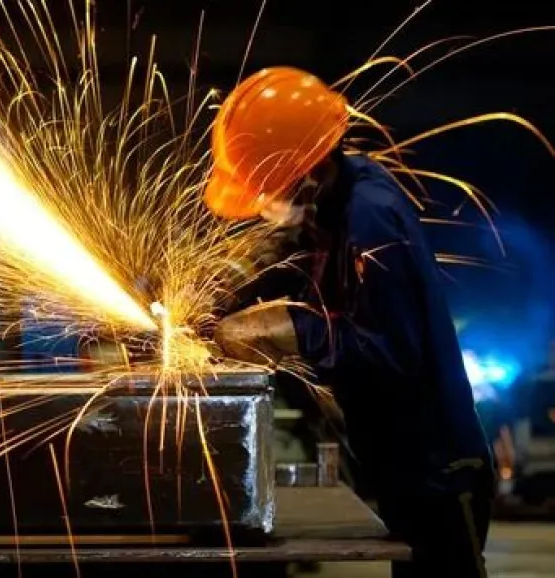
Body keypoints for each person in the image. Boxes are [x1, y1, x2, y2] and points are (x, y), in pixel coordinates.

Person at [205, 67, 496, 577]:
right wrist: (228, 281)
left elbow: (393, 352)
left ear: (310, 172)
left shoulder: (371, 215)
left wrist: (292, 328)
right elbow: (290, 251)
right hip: (400, 464)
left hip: (441, 473)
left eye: (269, 192)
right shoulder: (333, 198)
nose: (263, 207)